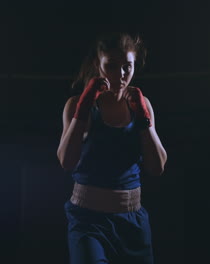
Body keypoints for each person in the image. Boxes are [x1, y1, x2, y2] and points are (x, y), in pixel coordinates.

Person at [57, 31, 167, 264]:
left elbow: (157, 167)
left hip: (132, 221)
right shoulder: (77, 105)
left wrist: (144, 120)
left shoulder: (142, 104)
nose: (121, 74)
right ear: (99, 64)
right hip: (88, 221)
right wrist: (82, 111)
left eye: (128, 66)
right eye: (113, 66)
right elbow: (66, 162)